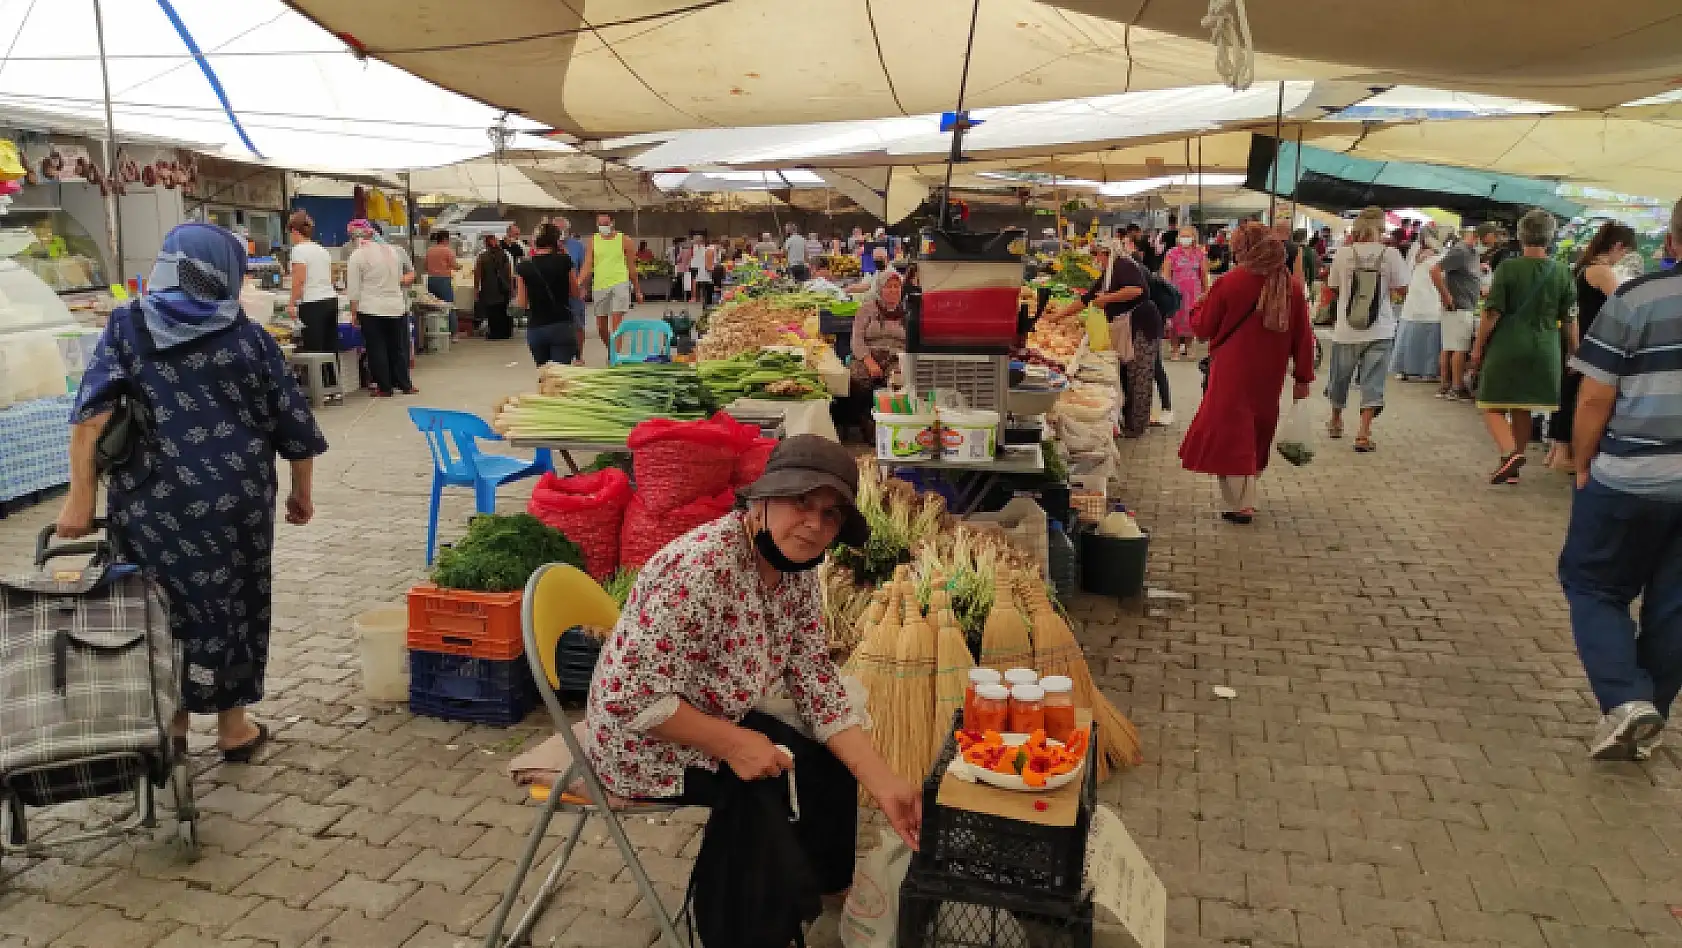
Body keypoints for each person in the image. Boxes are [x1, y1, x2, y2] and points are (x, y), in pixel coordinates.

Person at [583, 436, 921, 936]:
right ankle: (745, 933)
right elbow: (628, 697)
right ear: (760, 501)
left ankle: (825, 883)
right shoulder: (702, 568)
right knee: (763, 788)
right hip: (640, 740)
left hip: (713, 713)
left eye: (830, 515)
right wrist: (737, 744)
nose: (814, 524)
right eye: (801, 503)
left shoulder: (798, 570)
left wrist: (885, 783)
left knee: (824, 760)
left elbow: (814, 683)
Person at [57, 222, 328, 761]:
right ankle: (233, 728)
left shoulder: (129, 324)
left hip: (152, 500)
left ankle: (172, 724)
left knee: (159, 606)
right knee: (236, 604)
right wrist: (301, 493)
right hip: (237, 500)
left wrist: (79, 501)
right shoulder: (247, 335)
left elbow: (92, 416)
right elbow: (292, 423)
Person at [1556, 198, 1682, 761]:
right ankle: (1647, 712)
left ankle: (1630, 703)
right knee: (1676, 605)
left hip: (1630, 475)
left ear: (1672, 242)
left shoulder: (1638, 299)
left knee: (1593, 585)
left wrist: (1583, 462)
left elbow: (1595, 395)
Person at [1178, 222, 1315, 523]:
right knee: (1258, 430)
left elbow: (1202, 329)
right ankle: (1248, 492)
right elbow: (1304, 337)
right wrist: (1303, 377)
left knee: (1230, 432)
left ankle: (1241, 503)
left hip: (1232, 371)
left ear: (1245, 249)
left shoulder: (1230, 282)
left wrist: (1197, 307)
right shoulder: (1291, 286)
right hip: (1270, 375)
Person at [1472, 209, 1577, 485]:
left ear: (1520, 236)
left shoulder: (1509, 268)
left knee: (1490, 404)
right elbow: (1570, 318)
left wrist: (1477, 348)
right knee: (1523, 407)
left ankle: (1509, 454)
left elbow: (1491, 313)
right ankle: (1513, 467)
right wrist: (1574, 352)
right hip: (1546, 348)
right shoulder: (1563, 272)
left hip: (1508, 344)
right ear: (1550, 237)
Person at [1549, 222, 1638, 471]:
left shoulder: (1584, 267)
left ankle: (1558, 451)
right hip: (1591, 340)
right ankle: (1565, 453)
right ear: (1618, 246)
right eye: (1625, 252)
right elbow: (1624, 305)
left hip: (1580, 337)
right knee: (1579, 397)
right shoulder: (1602, 272)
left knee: (1569, 393)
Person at [1323, 207, 1409, 452]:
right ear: (1381, 228)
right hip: (1380, 328)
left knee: (1340, 377)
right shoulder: (1390, 254)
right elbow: (1403, 288)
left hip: (1346, 329)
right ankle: (1363, 433)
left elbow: (1334, 287)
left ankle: (1336, 420)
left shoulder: (1343, 254)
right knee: (1373, 381)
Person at [1075, 238, 1160, 437]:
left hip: (1142, 325)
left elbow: (1136, 289)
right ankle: (1130, 421)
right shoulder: (1110, 271)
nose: (1096, 259)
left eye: (1097, 255)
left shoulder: (1123, 265)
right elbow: (1088, 298)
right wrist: (1057, 315)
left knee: (1140, 375)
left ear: (1106, 253)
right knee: (1130, 374)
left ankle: (1137, 426)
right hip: (1129, 325)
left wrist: (1107, 299)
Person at [346, 218, 417, 397]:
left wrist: (353, 312)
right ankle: (404, 384)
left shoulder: (357, 256)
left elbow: (354, 289)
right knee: (397, 347)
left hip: (371, 308)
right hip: (396, 307)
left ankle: (385, 387)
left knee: (377, 348)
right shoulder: (392, 252)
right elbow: (401, 278)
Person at [515, 223, 581, 367]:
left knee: (545, 375)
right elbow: (576, 293)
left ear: (535, 242)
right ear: (556, 241)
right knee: (560, 376)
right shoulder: (564, 261)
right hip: (562, 325)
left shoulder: (523, 267)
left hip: (537, 328)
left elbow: (521, 303)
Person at [578, 212, 643, 351]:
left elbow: (632, 267)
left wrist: (637, 290)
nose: (603, 226)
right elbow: (588, 263)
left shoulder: (625, 240)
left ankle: (616, 358)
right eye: (600, 224)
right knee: (601, 327)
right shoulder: (593, 240)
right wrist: (578, 281)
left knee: (616, 324)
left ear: (612, 223)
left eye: (606, 223)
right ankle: (611, 350)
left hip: (620, 283)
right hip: (600, 285)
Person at [1391, 225, 1445, 381]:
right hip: (1431, 303)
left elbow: (1407, 274)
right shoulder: (1440, 257)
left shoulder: (1415, 253)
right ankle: (1429, 372)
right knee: (1429, 340)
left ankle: (1403, 370)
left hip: (1413, 303)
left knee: (1408, 336)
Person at [1434, 228, 1483, 399]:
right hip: (1459, 306)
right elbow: (1434, 271)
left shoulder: (1470, 253)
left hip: (1460, 305)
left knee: (1449, 346)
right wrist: (1446, 295)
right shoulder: (1460, 251)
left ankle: (1445, 385)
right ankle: (1456, 387)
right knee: (1459, 348)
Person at [849, 268, 909, 404]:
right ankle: (862, 419)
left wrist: (903, 363)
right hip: (868, 356)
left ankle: (891, 417)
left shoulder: (908, 313)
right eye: (888, 287)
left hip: (896, 358)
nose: (893, 290)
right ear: (880, 289)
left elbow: (912, 342)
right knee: (856, 380)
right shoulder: (866, 309)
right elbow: (856, 339)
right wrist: (869, 362)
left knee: (899, 381)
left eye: (896, 286)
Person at [285, 210, 338, 359]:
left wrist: (291, 304)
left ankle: (316, 382)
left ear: (295, 231)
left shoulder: (298, 250)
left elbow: (298, 280)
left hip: (312, 304)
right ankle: (332, 381)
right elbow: (331, 278)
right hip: (330, 301)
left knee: (314, 351)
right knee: (330, 349)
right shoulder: (322, 250)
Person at [1161, 225, 1210, 360]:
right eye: (1183, 236)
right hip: (1176, 291)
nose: (1185, 239)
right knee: (1175, 319)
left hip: (1194, 292)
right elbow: (1166, 274)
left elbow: (1204, 274)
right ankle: (1175, 348)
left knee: (1192, 318)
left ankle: (1189, 346)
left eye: (1188, 236)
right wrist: (1166, 291)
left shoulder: (1200, 254)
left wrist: (1206, 292)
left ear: (1194, 238)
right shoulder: (1172, 253)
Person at [474, 233, 515, 340]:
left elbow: (478, 274)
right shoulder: (505, 255)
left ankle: (495, 333)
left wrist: (476, 288)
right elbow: (510, 273)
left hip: (489, 288)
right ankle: (506, 332)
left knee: (493, 311)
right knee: (504, 310)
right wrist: (511, 288)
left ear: (486, 244)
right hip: (504, 287)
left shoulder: (482, 257)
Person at [422, 230, 457, 308]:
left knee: (432, 306)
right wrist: (459, 267)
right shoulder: (448, 250)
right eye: (448, 239)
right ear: (445, 239)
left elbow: (425, 267)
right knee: (448, 306)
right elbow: (454, 265)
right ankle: (450, 320)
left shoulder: (429, 250)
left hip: (431, 280)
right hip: (443, 281)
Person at [692, 238, 715, 305]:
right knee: (707, 290)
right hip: (706, 274)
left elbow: (695, 263)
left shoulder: (699, 251)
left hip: (700, 273)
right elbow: (710, 265)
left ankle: (700, 302)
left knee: (701, 288)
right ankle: (707, 304)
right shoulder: (709, 251)